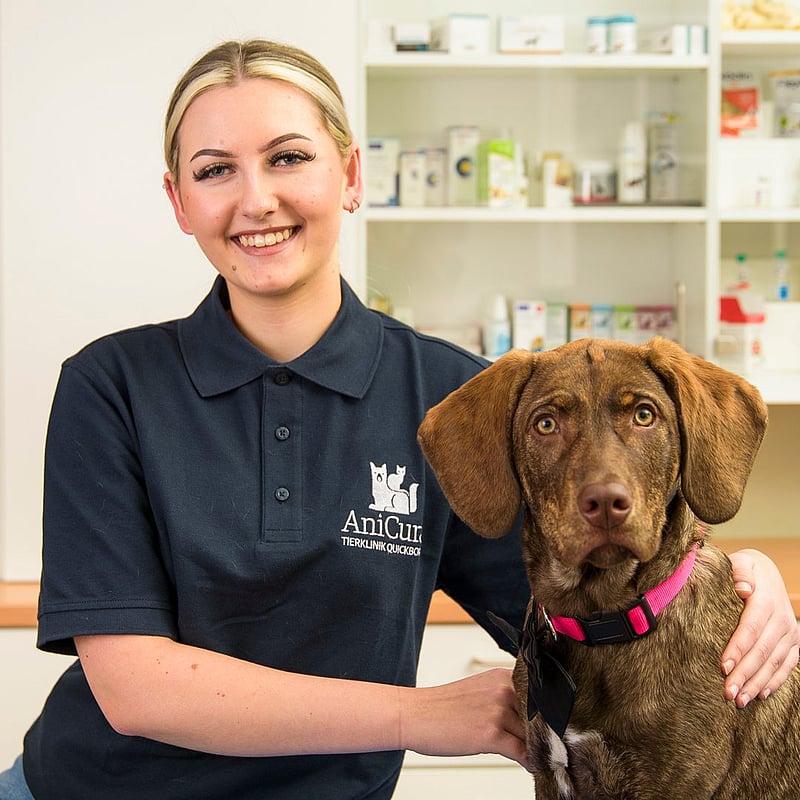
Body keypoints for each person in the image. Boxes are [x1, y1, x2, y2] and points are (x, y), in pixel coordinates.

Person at [1, 38, 797, 800]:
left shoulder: (454, 403)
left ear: (349, 174)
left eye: (288, 157)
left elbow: (587, 579)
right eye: (215, 171)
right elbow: (137, 689)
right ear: (179, 201)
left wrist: (735, 583)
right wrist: (415, 715)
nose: (256, 199)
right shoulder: (110, 386)